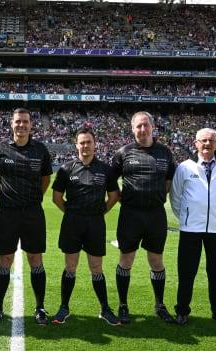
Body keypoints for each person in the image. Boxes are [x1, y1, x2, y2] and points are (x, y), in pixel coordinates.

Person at [0, 108, 53, 326]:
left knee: (35, 259)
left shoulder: (41, 149)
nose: (21, 125)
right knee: (4, 259)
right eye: (18, 122)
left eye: (25, 121)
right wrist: (3, 196)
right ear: (11, 124)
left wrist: (34, 198)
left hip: (33, 212)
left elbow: (45, 180)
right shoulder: (0, 149)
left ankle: (40, 307)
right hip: (7, 213)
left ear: (31, 125)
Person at [109, 111, 176, 324]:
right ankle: (123, 304)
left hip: (156, 215)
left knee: (156, 260)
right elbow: (111, 182)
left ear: (152, 126)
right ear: (132, 129)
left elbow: (168, 182)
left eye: (145, 125)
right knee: (126, 259)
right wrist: (125, 201)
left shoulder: (165, 152)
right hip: (130, 215)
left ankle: (160, 304)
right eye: (138, 126)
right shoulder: (123, 153)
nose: (142, 129)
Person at [50, 128, 121, 325]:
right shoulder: (66, 168)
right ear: (76, 145)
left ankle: (105, 309)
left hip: (95, 223)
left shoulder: (105, 169)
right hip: (72, 223)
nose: (85, 146)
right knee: (70, 266)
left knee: (96, 267)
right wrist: (72, 213)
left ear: (95, 144)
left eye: (88, 142)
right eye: (82, 142)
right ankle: (64, 307)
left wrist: (100, 212)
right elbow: (56, 197)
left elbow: (114, 195)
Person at [169, 128, 216, 327]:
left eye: (211, 141)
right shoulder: (185, 167)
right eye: (203, 140)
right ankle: (182, 311)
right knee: (186, 273)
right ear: (196, 143)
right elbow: (176, 196)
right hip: (190, 230)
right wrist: (187, 218)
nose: (207, 144)